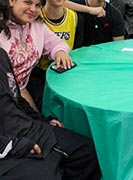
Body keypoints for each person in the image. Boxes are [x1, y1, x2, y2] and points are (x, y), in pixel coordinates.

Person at [0, 47, 101, 180]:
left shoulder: (1, 55)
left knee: (89, 153)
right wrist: (14, 146)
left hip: (30, 130)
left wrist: (42, 120)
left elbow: (16, 98)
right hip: (9, 148)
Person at [0, 0, 72, 112]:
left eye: (38, 5)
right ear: (11, 1)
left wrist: (60, 52)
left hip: (21, 91)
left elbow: (57, 42)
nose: (33, 9)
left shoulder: (37, 26)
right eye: (28, 2)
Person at [28, 0, 84, 111]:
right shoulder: (34, 18)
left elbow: (77, 50)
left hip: (68, 72)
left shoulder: (76, 17)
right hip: (40, 76)